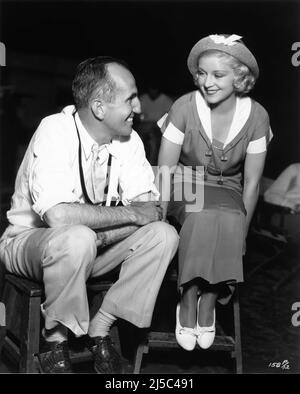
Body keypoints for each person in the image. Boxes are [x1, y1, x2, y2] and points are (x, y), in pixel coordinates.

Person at [0, 56, 179, 373]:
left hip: (94, 247)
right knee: (76, 237)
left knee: (164, 236)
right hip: (27, 243)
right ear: (99, 107)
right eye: (130, 98)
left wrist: (121, 224)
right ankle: (56, 343)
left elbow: (151, 213)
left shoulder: (130, 139)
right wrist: (131, 216)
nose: (138, 108)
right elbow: (58, 218)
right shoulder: (54, 131)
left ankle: (100, 327)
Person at [156, 34, 272, 351]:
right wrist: (158, 218)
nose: (207, 82)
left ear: (241, 78)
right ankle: (189, 296)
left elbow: (251, 184)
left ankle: (209, 298)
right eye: (202, 73)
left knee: (233, 217)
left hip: (230, 186)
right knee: (204, 213)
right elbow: (164, 170)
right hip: (185, 178)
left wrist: (244, 236)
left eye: (218, 75)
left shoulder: (258, 116)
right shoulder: (183, 106)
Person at [135, 83, 173, 165]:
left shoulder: (165, 100)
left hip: (158, 127)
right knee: (138, 139)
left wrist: (156, 124)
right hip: (144, 125)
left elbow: (170, 115)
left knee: (153, 141)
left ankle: (152, 165)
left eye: (155, 89)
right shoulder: (143, 98)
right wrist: (142, 119)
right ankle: (138, 164)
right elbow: (137, 115)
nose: (153, 92)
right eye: (151, 89)